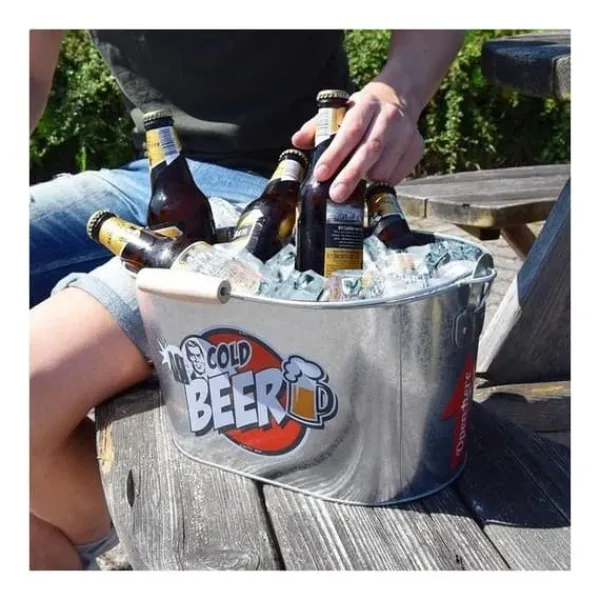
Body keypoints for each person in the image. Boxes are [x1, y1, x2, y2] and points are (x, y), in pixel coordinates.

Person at [29, 29, 465, 569]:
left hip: (287, 188)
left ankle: (148, 521)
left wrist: (399, 91)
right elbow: (28, 75)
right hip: (155, 173)